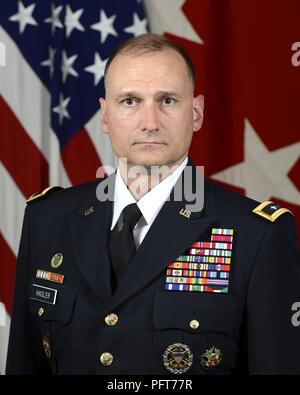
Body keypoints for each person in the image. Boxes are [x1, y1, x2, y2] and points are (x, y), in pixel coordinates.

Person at [6, 33, 300, 375]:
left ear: (196, 113)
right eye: (130, 101)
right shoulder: (47, 219)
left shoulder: (258, 236)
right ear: (105, 116)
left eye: (168, 101)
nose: (150, 122)